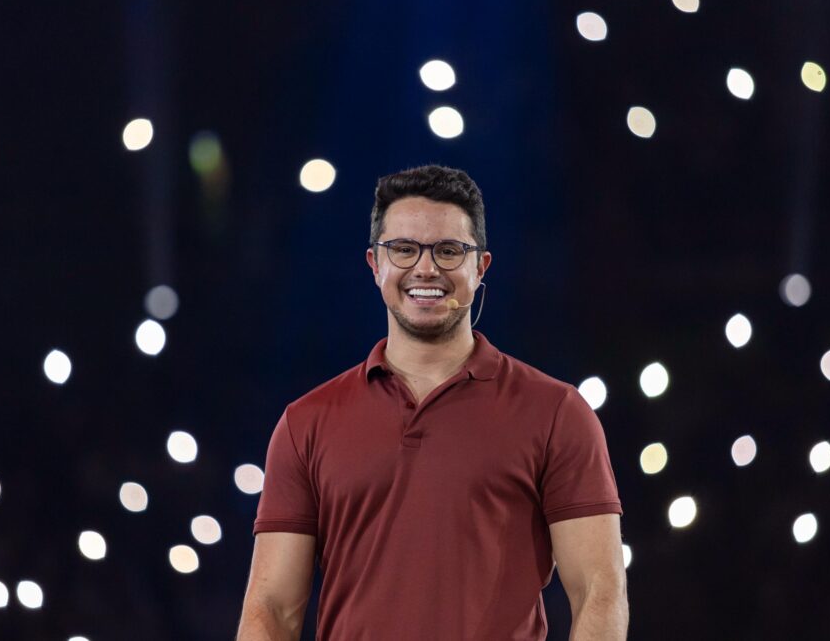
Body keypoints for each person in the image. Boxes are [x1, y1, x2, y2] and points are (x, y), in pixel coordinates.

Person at [237, 165, 627, 640]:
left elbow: (599, 592)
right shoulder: (306, 423)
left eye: (448, 250)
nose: (426, 268)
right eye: (403, 249)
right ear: (374, 264)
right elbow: (271, 609)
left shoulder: (557, 412)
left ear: (480, 267)